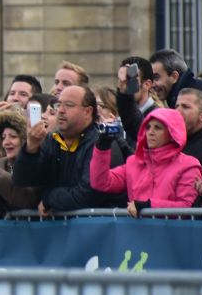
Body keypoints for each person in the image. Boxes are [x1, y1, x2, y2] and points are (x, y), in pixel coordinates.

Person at [13, 85, 126, 214]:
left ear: (87, 111)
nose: (60, 110)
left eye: (69, 105)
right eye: (59, 104)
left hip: (97, 229)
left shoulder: (103, 144)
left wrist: (49, 198)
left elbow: (88, 195)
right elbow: (23, 181)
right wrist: (30, 149)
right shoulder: (52, 140)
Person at [90, 109, 201, 216]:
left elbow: (186, 208)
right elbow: (100, 182)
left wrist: (148, 206)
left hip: (174, 233)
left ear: (172, 135)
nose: (150, 132)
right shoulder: (133, 162)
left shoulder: (189, 165)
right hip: (138, 233)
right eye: (147, 127)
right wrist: (103, 146)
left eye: (157, 128)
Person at [114, 57, 158, 143]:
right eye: (121, 79)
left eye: (131, 80)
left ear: (147, 85)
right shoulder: (119, 119)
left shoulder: (158, 118)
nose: (123, 85)